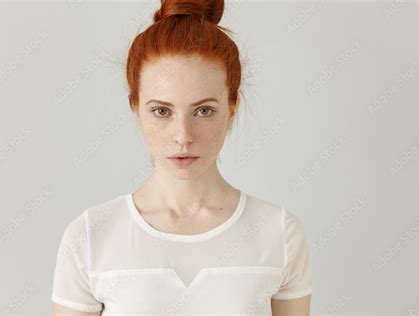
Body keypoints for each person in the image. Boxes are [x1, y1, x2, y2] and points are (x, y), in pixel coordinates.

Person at [52, 0, 312, 315]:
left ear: (232, 108)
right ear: (136, 109)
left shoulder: (279, 233)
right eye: (162, 111)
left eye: (204, 111)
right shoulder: (91, 236)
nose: (183, 136)